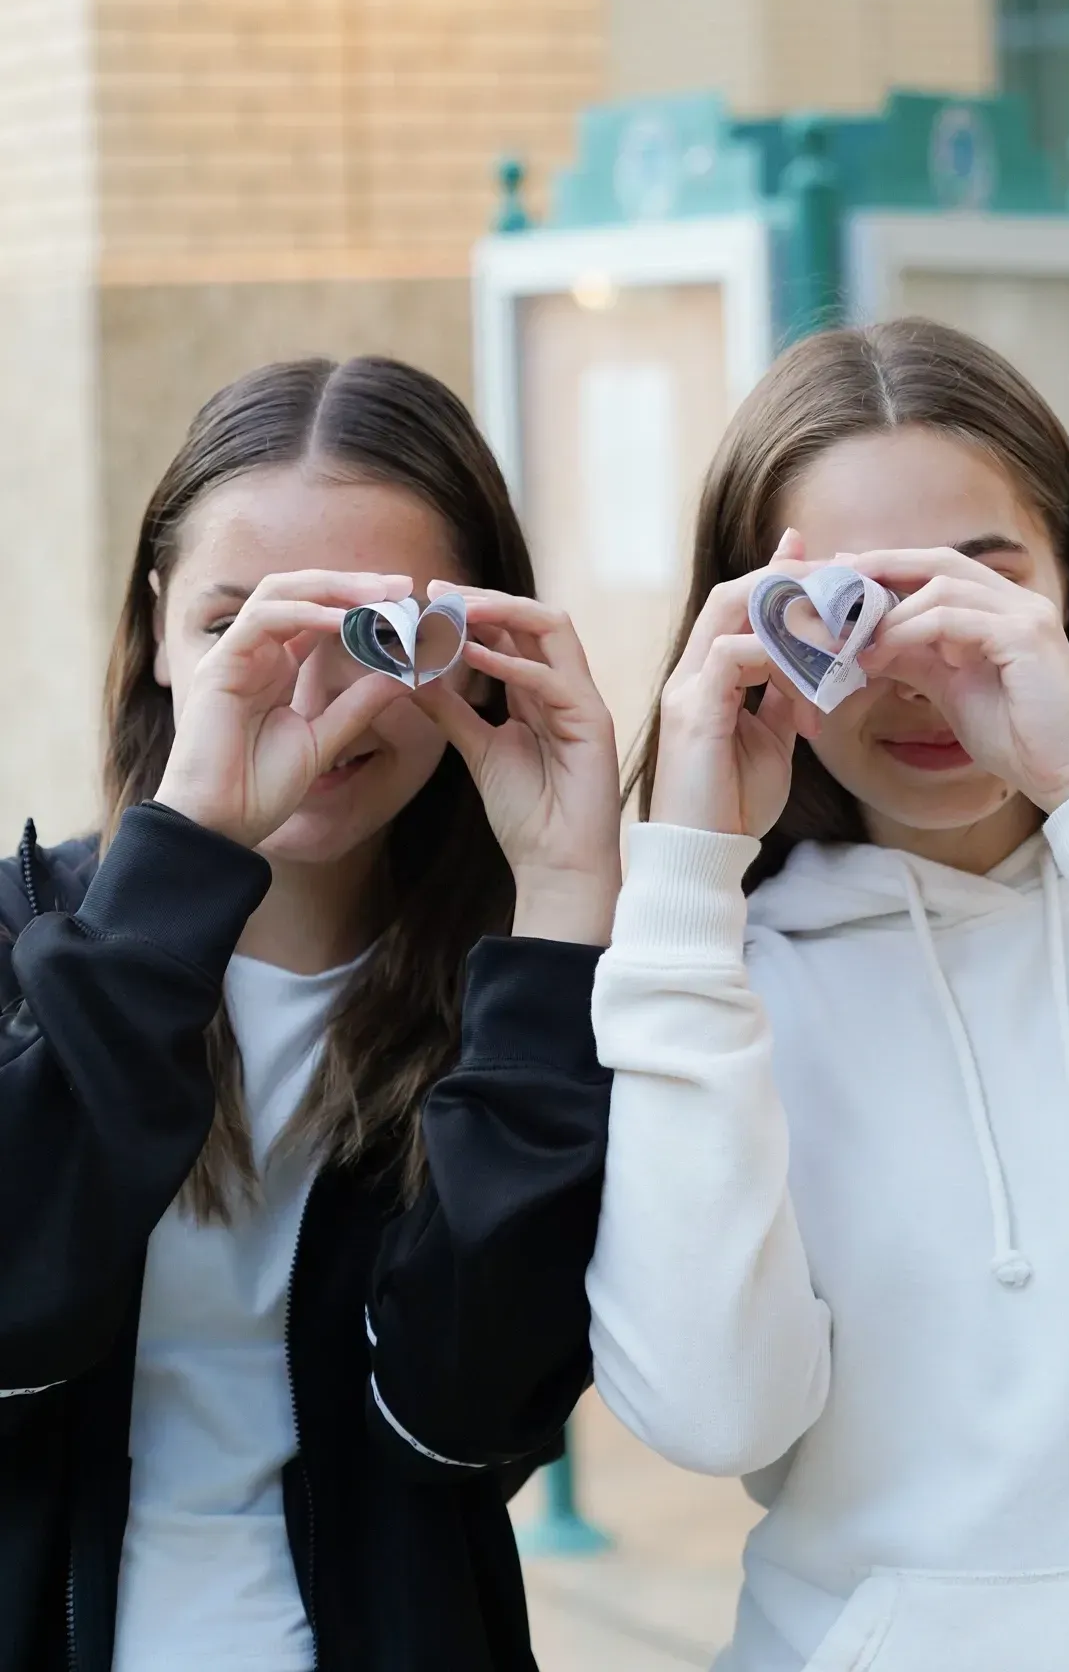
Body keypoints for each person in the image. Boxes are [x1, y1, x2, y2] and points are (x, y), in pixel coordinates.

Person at [587, 319, 1069, 1672]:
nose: (924, 663)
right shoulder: (711, 979)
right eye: (842, 611)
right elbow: (714, 1417)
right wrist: (686, 885)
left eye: (978, 588)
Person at [0, 355, 621, 1672]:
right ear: (159, 627)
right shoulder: (27, 937)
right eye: (243, 626)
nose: (309, 696)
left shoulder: (524, 995)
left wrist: (566, 902)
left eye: (376, 637)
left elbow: (466, 1418)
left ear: (481, 649)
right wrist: (187, 859)